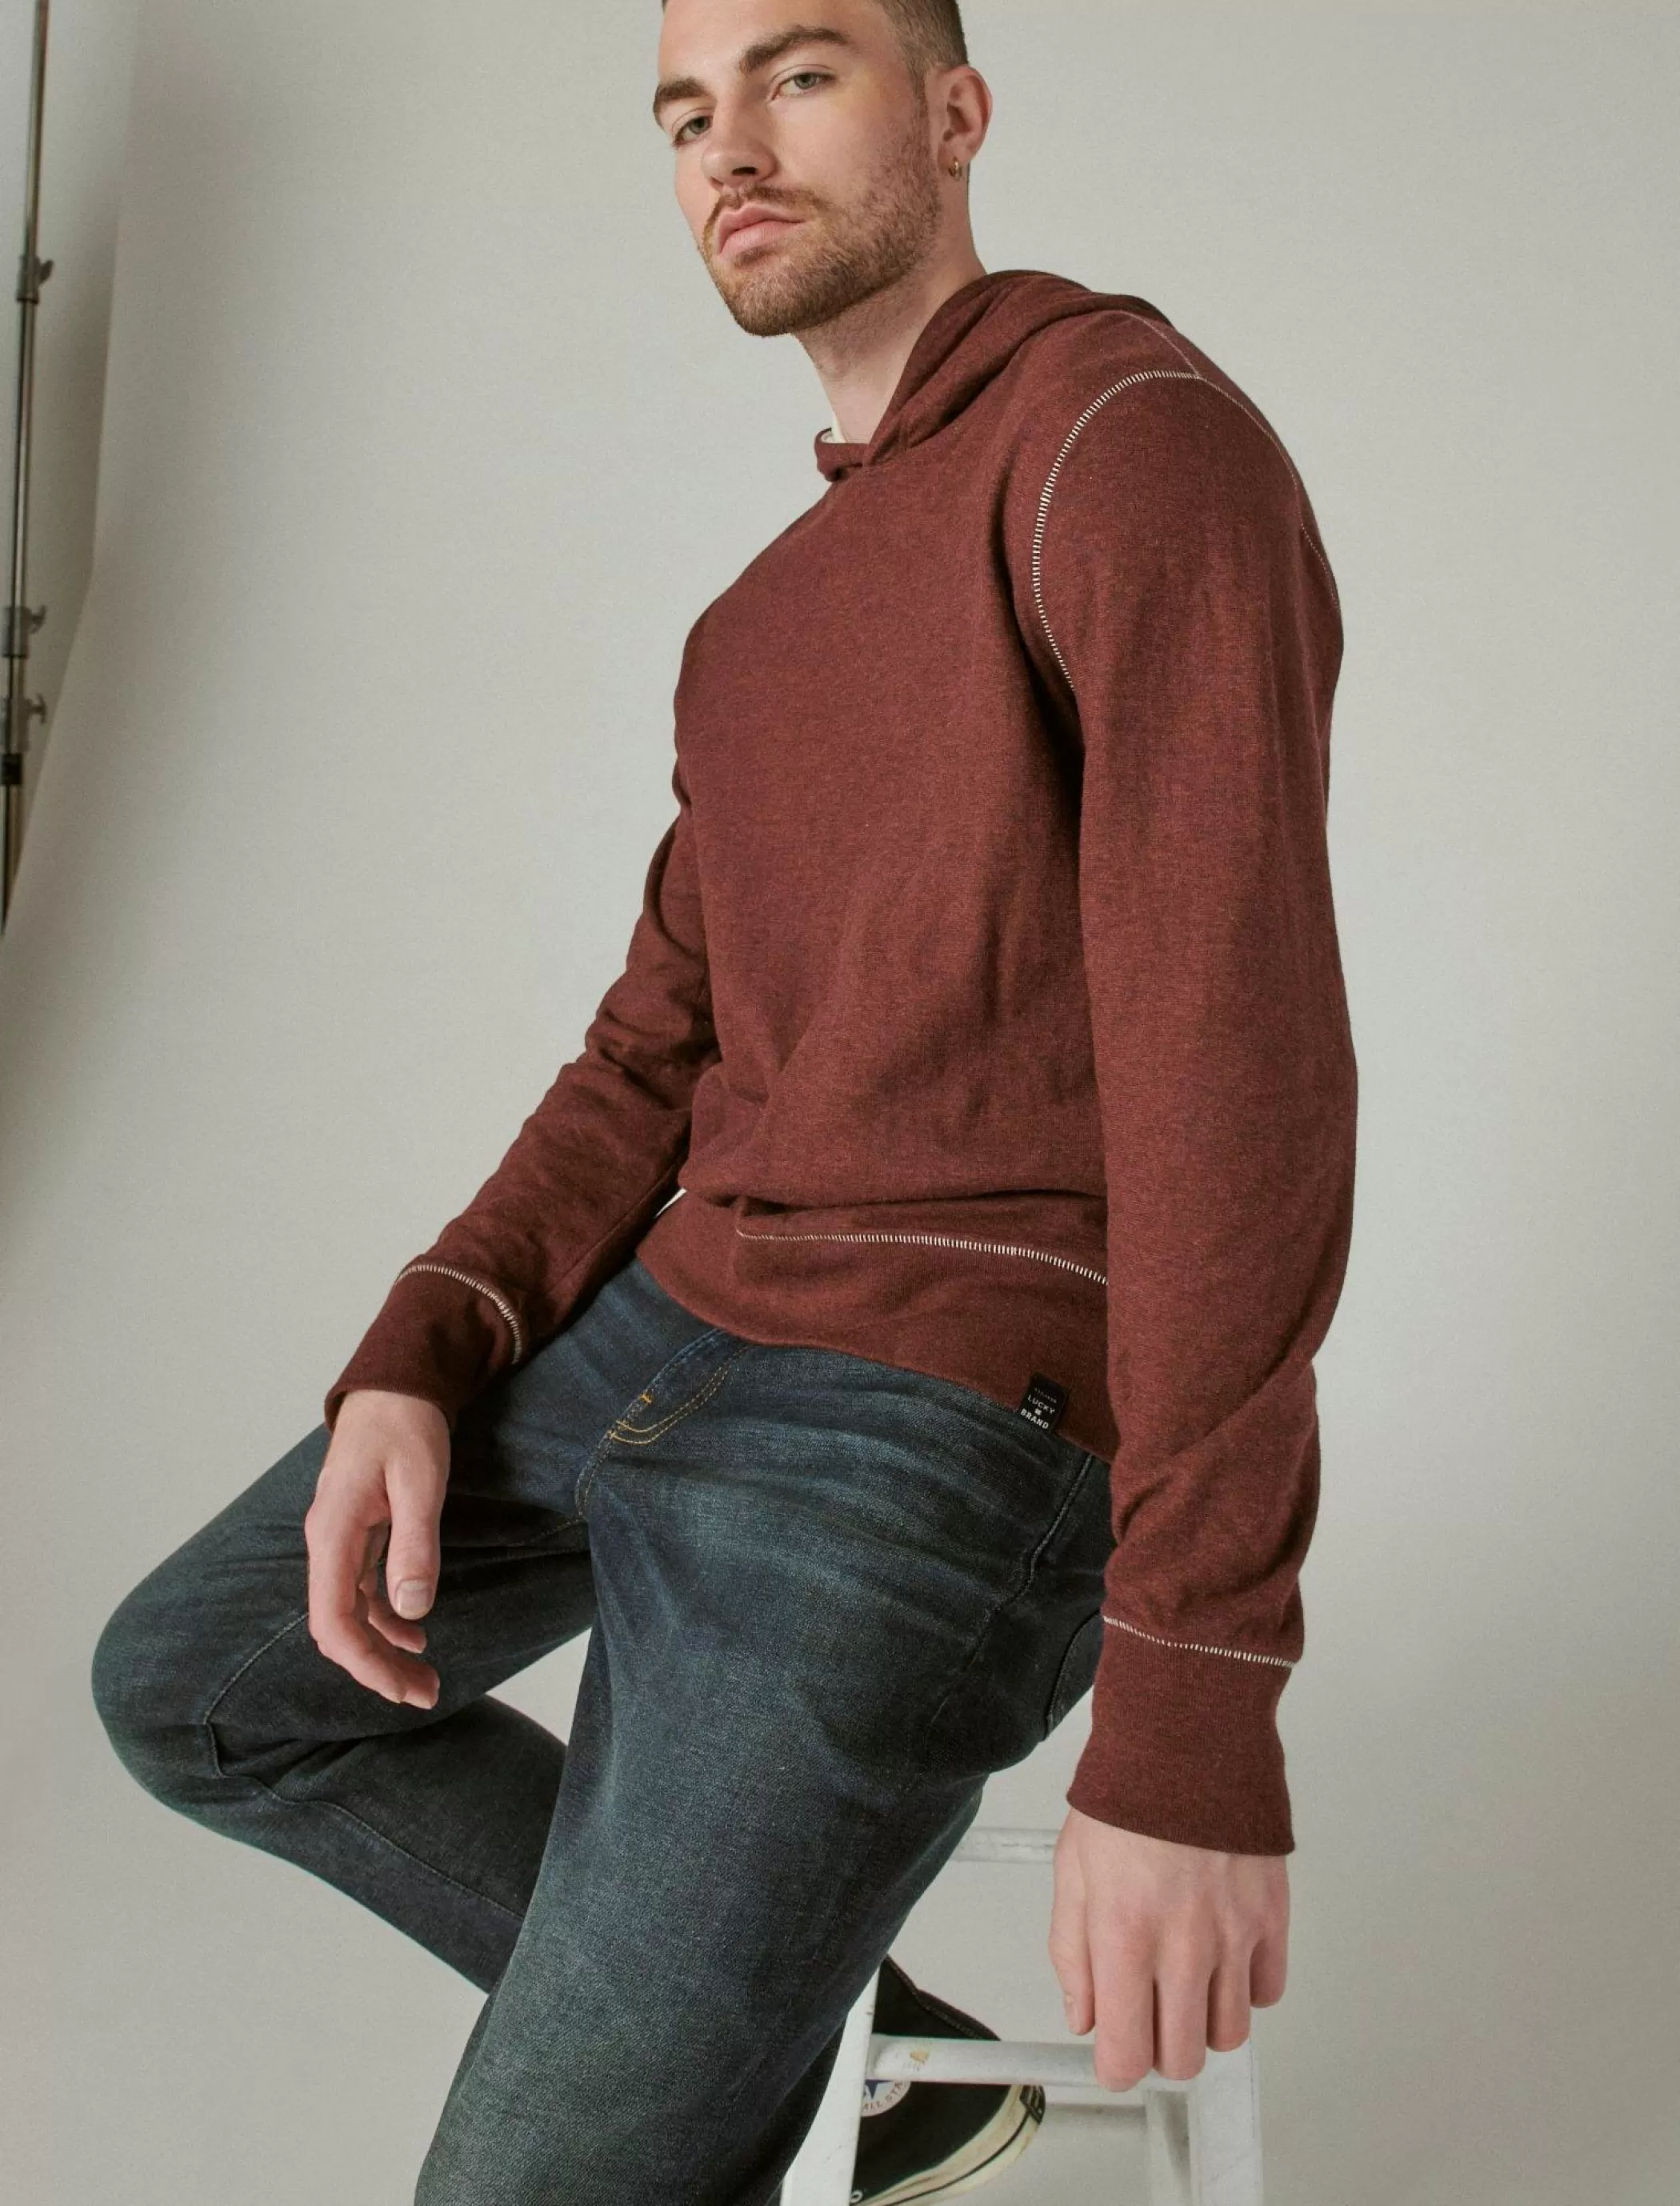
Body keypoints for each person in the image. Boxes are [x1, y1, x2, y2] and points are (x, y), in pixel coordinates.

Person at [90, 1, 1358, 2200]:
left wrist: (1194, 1702)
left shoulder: (1124, 445)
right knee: (198, 1680)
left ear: (954, 112)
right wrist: (422, 1347)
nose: (729, 147)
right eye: (686, 111)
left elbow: (1238, 1070)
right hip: (674, 1337)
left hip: (936, 1415)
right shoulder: (756, 622)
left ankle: (724, 2035)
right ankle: (839, 2046)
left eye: (799, 73)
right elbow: (650, 1052)